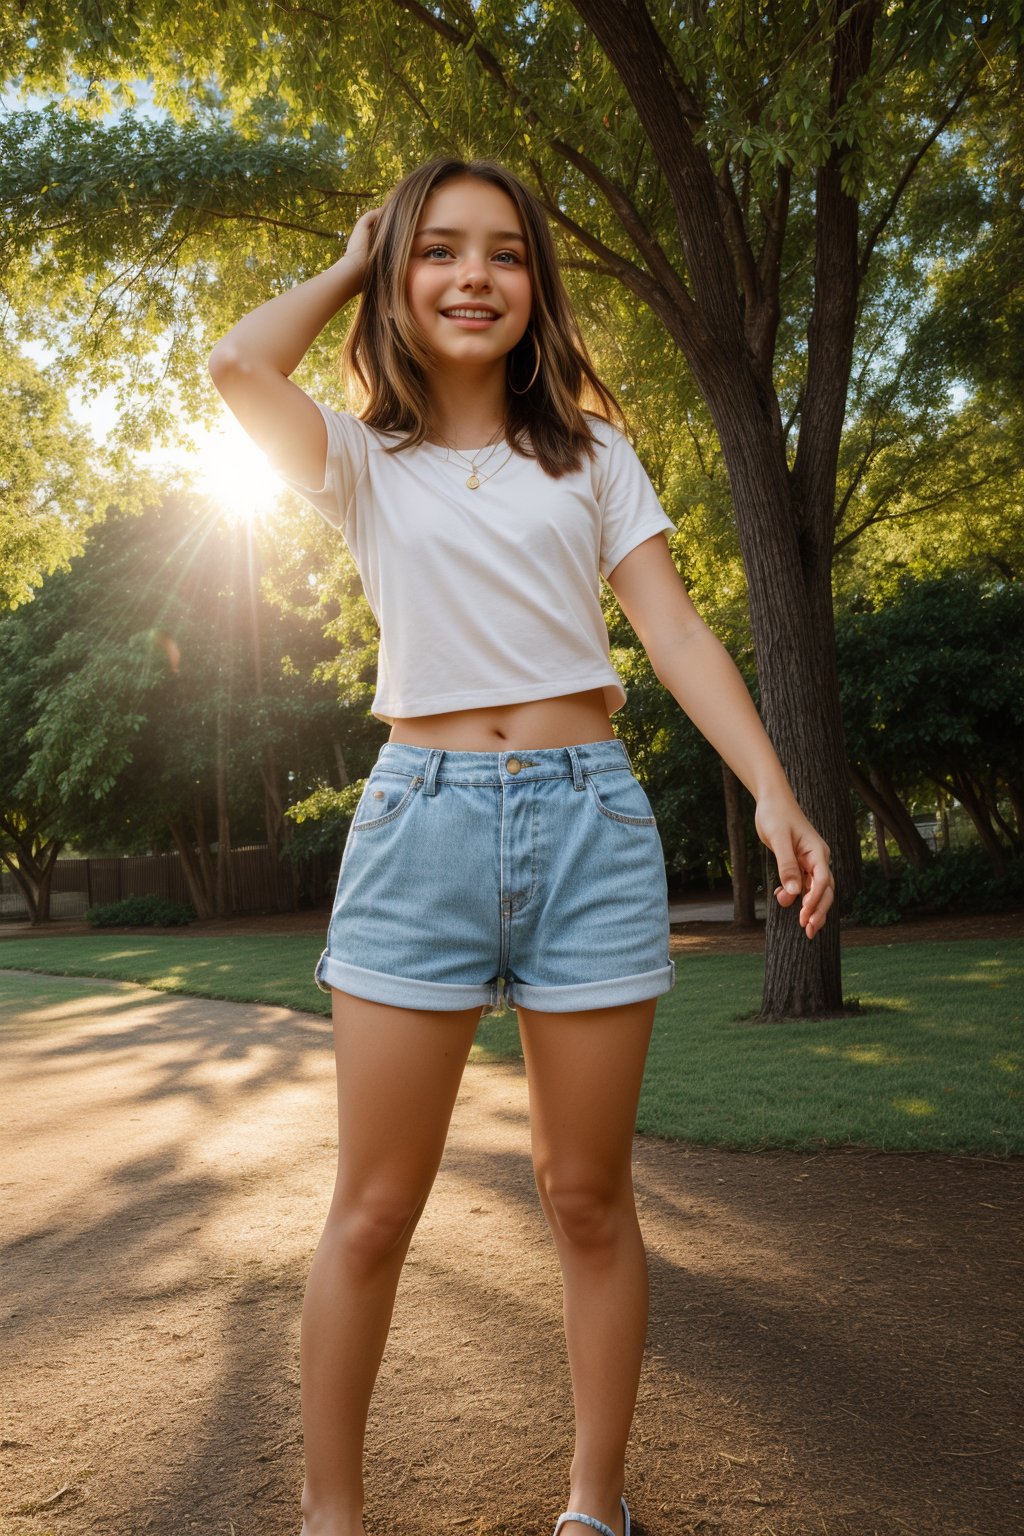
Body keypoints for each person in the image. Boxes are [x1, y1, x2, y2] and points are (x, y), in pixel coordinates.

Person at [208, 156, 834, 1536]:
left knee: (587, 1195)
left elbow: (671, 631)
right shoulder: (361, 459)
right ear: (397, 280)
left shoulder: (594, 453)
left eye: (504, 252)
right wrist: (351, 255)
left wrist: (775, 793)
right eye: (437, 252)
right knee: (372, 1208)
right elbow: (238, 364)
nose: (474, 275)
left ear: (537, 286)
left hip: (589, 825)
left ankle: (593, 1508)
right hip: (415, 824)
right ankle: (331, 1517)